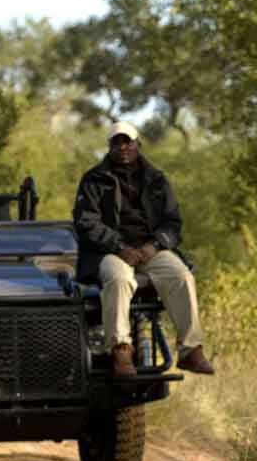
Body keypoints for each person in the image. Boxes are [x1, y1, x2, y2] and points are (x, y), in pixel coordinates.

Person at [72, 121, 214, 376]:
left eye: (128, 141)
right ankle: (121, 350)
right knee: (119, 279)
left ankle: (190, 350)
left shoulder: (156, 179)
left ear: (138, 144)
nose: (122, 147)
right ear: (109, 146)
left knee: (181, 276)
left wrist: (155, 245)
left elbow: (173, 221)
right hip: (110, 251)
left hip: (151, 249)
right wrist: (119, 246)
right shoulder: (93, 179)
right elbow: (86, 222)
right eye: (117, 142)